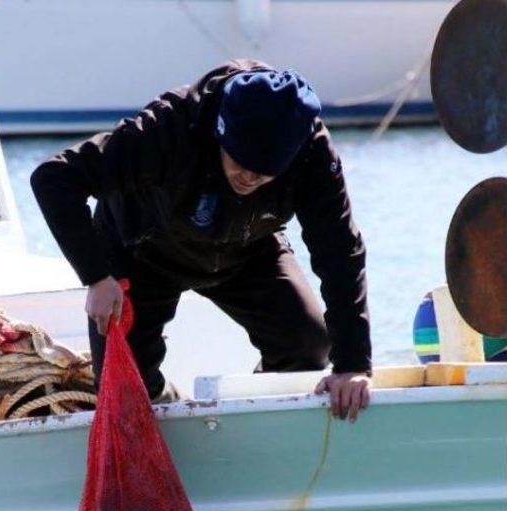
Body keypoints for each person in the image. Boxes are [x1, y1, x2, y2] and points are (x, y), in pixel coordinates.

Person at [31, 60, 372, 422]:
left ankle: (251, 426)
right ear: (221, 131)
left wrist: (353, 365)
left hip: (247, 249)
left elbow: (340, 250)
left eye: (266, 170)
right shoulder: (167, 128)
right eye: (241, 162)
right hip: (141, 252)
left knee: (309, 345)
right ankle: (169, 407)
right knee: (125, 395)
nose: (250, 177)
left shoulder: (311, 151)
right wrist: (96, 276)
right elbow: (54, 178)